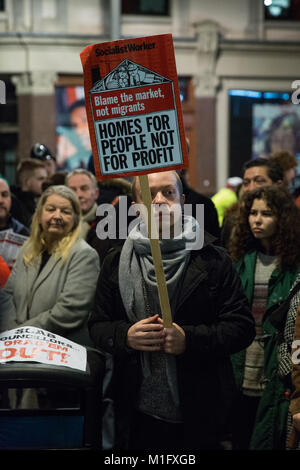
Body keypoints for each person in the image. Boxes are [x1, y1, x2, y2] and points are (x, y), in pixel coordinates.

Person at [88, 170, 255, 450]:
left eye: (168, 193)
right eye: (149, 194)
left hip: (200, 410)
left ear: (182, 200)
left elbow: (241, 327)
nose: (159, 201)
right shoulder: (115, 261)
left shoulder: (212, 258)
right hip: (136, 410)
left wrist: (189, 339)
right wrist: (125, 335)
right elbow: (98, 325)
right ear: (135, 207)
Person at [228, 185, 300, 449]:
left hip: (276, 364)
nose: (257, 219)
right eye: (253, 213)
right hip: (241, 360)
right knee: (241, 432)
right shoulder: (241, 260)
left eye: (266, 213)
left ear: (283, 218)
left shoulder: (293, 265)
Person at [0, 185, 100, 347]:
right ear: (39, 215)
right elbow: (7, 296)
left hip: (60, 352)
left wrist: (21, 334)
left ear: (75, 219)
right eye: (51, 209)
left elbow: (69, 311)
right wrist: (11, 334)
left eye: (66, 212)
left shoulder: (84, 254)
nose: (57, 216)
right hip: (16, 347)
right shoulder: (28, 248)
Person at [221, 157, 283, 249]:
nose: (251, 188)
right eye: (246, 183)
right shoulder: (233, 218)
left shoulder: (290, 219)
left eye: (259, 181)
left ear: (277, 185)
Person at [10, 159, 48, 228]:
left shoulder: (36, 202)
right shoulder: (14, 206)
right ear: (26, 181)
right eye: (41, 179)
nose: (45, 183)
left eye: (46, 179)